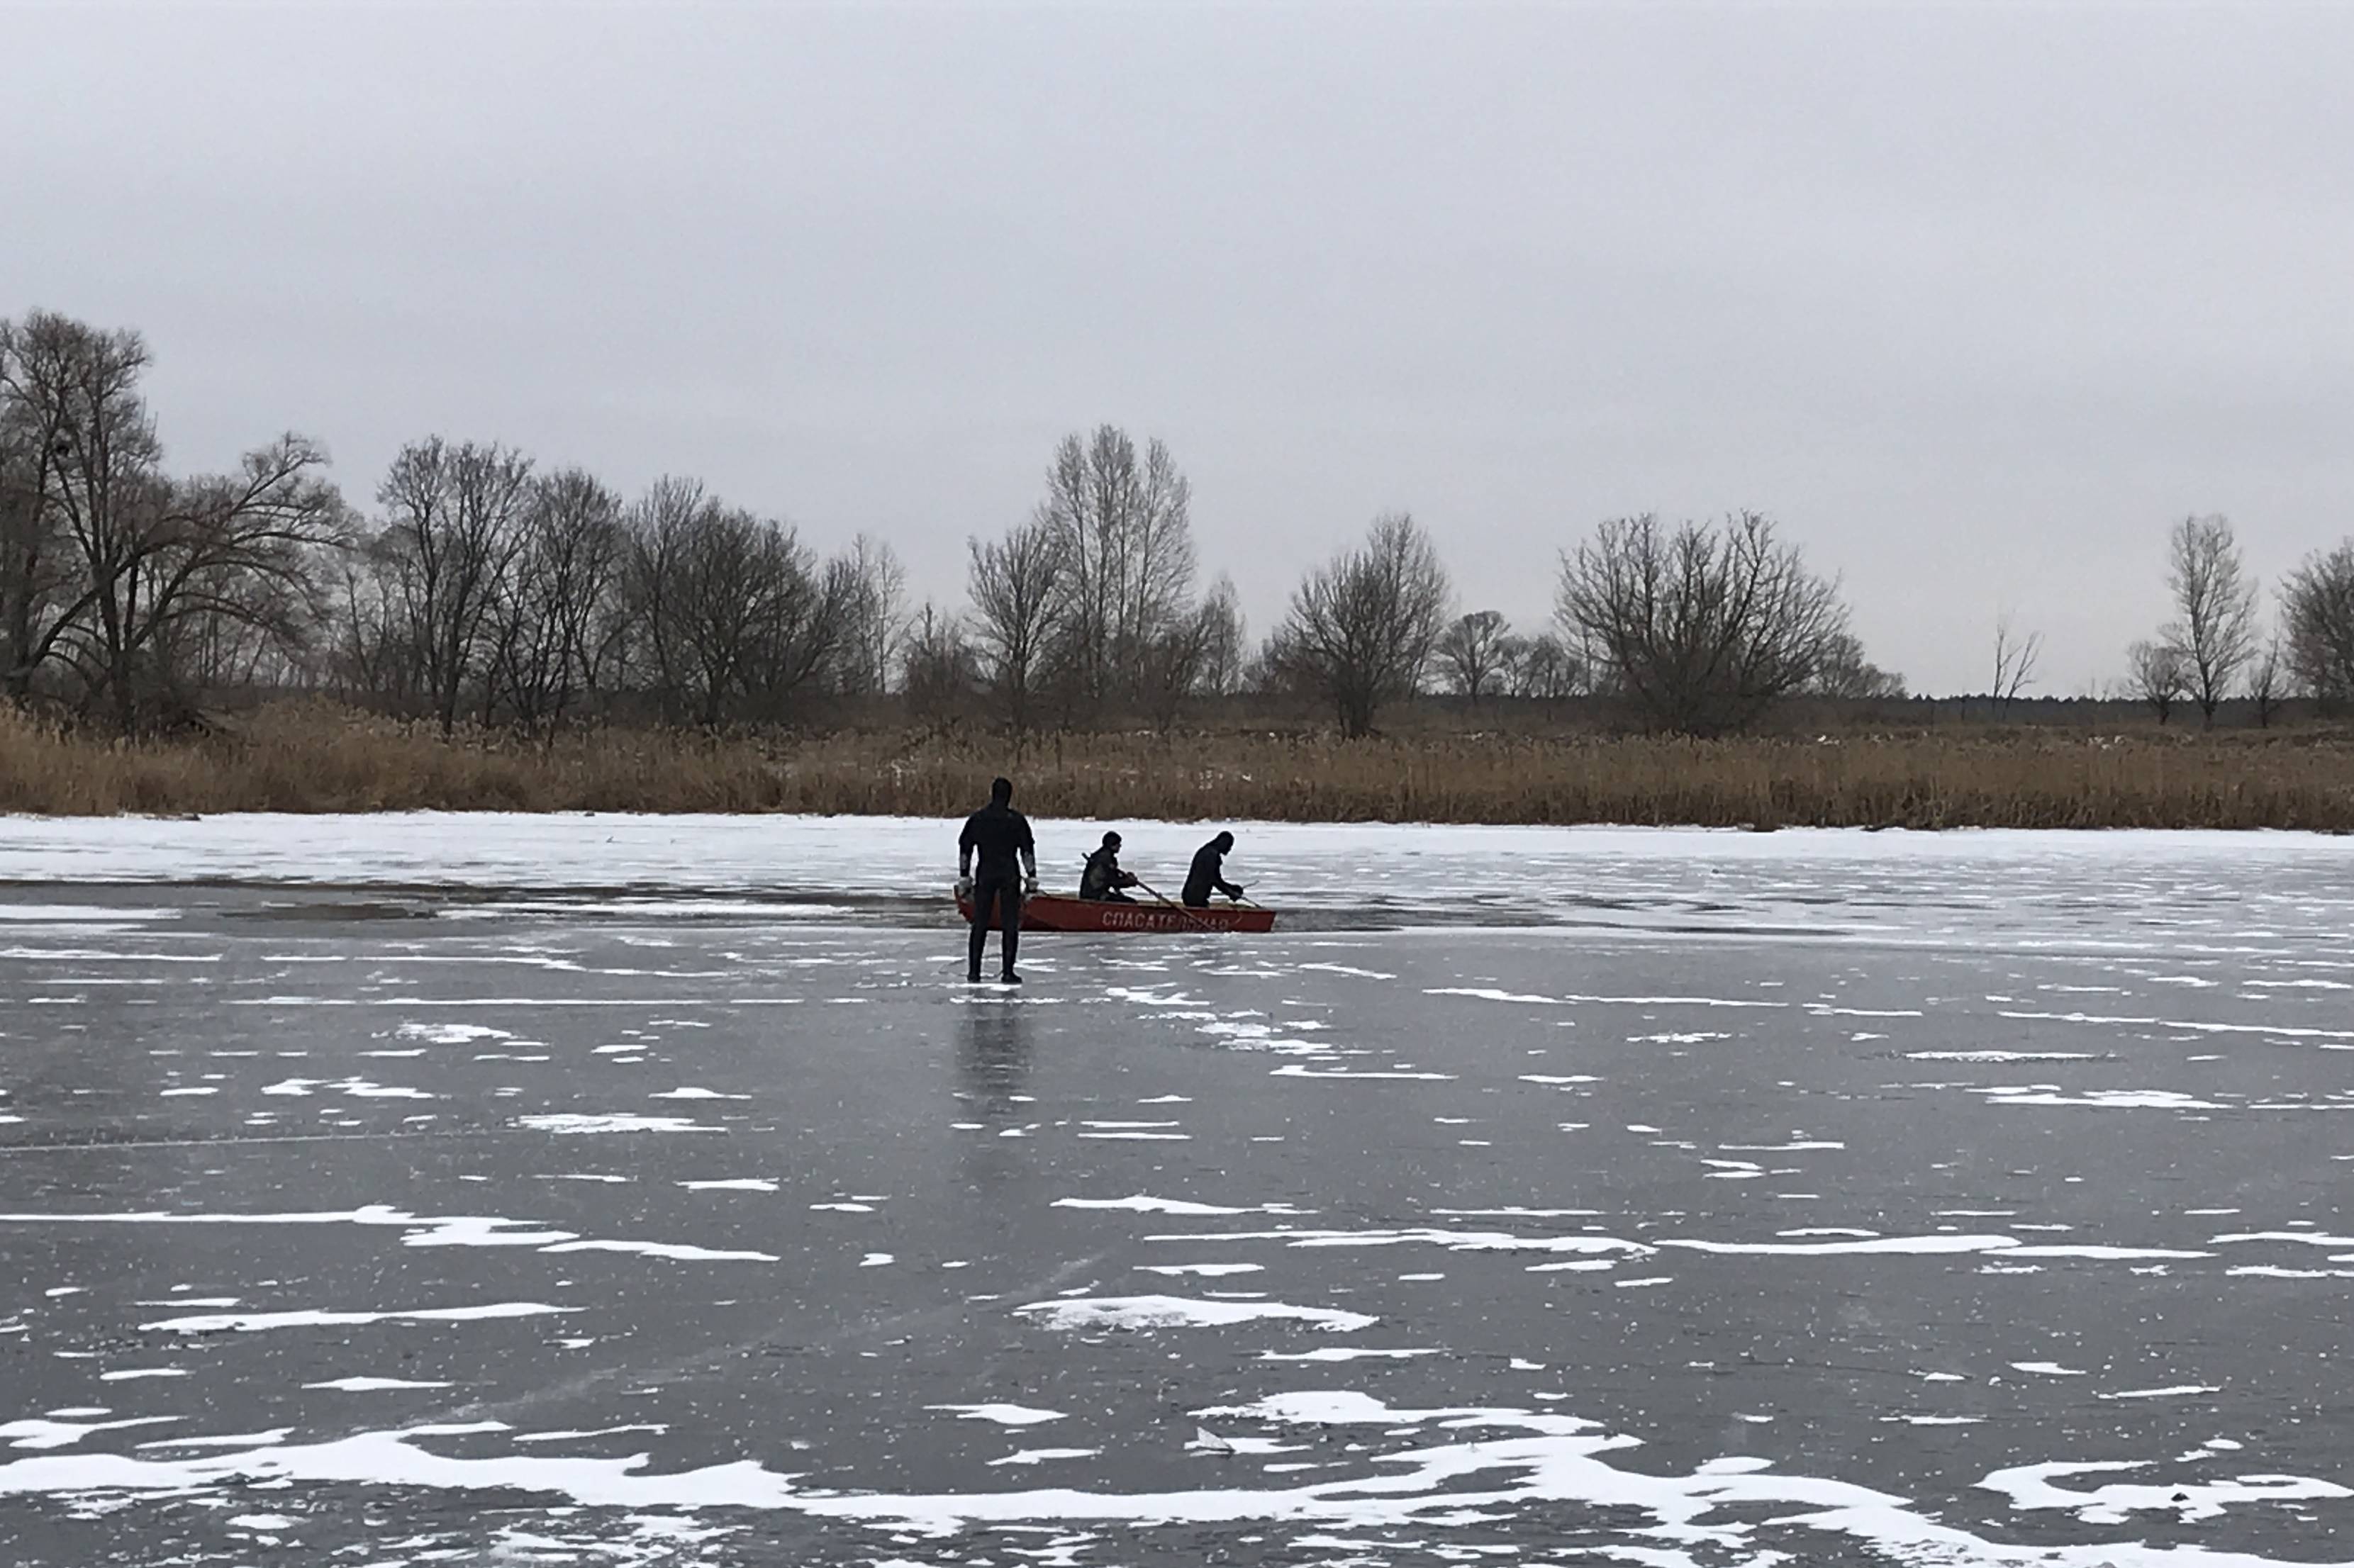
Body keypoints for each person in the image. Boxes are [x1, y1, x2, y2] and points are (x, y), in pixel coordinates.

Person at [957, 776, 1037, 984]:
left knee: (980, 922)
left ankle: (974, 972)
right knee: (1010, 924)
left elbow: (965, 847)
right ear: (1009, 795)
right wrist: (1032, 877)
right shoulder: (1016, 820)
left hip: (986, 873)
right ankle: (1008, 972)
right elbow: (1027, 851)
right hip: (1009, 874)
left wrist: (964, 875)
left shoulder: (979, 819)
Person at [1181, 830, 1246, 908]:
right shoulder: (1210, 855)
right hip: (1195, 897)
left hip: (1192, 895)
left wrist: (1232, 888)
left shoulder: (1208, 851)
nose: (1230, 849)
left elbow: (1216, 879)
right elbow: (1214, 880)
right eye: (1229, 845)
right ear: (1223, 843)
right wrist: (1231, 892)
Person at [1078, 831, 1139, 902]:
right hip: (1095, 896)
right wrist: (1129, 882)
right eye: (1118, 844)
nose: (1120, 846)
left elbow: (1114, 878)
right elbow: (1113, 881)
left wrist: (1125, 878)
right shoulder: (1105, 860)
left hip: (1094, 893)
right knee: (1131, 902)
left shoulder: (1102, 857)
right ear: (1111, 845)